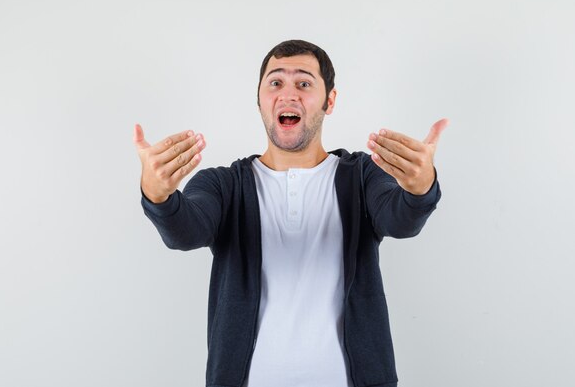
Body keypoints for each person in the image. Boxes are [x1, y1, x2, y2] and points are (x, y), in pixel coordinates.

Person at [133, 39, 447, 387]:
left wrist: (420, 189)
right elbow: (185, 230)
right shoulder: (223, 185)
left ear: (330, 101)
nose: (288, 94)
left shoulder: (362, 175)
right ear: (260, 101)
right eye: (275, 82)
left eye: (304, 83)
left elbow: (399, 219)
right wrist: (158, 195)